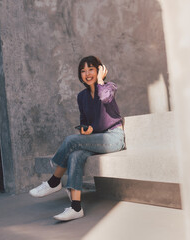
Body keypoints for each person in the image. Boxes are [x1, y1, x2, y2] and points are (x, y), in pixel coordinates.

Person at [29, 56, 125, 221]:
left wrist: (101, 81)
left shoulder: (109, 87)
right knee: (75, 155)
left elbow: (105, 99)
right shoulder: (82, 96)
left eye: (91, 69)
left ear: (100, 70)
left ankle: (54, 180)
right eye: (83, 70)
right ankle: (76, 207)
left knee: (71, 141)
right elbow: (84, 121)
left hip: (114, 138)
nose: (87, 73)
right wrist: (85, 130)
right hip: (96, 138)